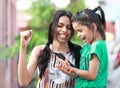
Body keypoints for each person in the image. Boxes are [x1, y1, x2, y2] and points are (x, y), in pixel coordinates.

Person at [18, 10, 81, 88]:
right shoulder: (40, 51)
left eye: (69, 28)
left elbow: (88, 78)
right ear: (52, 27)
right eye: (60, 26)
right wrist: (23, 46)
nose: (64, 30)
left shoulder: (78, 52)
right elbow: (23, 81)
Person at [58, 6, 108, 88]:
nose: (78, 35)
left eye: (80, 31)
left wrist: (74, 70)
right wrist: (69, 70)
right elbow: (83, 75)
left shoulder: (97, 46)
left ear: (93, 27)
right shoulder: (87, 47)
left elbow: (92, 75)